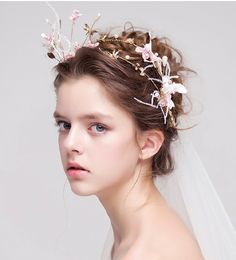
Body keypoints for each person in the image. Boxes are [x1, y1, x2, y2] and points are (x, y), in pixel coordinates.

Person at [42, 3, 236, 260]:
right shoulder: (133, 235)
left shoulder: (147, 253)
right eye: (65, 125)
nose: (71, 144)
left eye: (98, 127)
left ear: (148, 144)